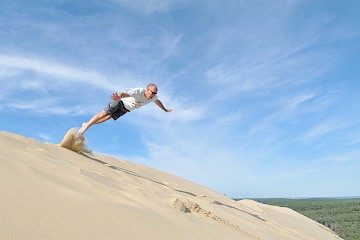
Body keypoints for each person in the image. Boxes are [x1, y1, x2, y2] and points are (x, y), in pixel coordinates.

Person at [76, 83, 172, 137]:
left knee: (107, 118)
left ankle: (87, 123)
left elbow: (158, 101)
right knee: (103, 114)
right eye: (153, 92)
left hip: (125, 109)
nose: (154, 95)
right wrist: (119, 96)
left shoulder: (153, 98)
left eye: (155, 93)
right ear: (147, 90)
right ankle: (85, 127)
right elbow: (125, 94)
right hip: (120, 102)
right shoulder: (139, 91)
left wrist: (165, 109)